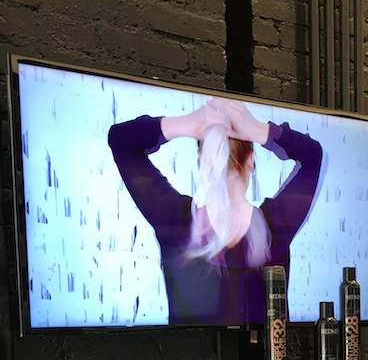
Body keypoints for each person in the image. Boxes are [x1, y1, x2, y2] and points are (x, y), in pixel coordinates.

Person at [108, 97, 323, 325]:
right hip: (268, 350)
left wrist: (188, 123)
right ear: (251, 160)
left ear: (202, 159)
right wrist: (259, 130)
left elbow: (121, 141)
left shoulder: (175, 221)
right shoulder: (276, 225)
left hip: (186, 351)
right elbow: (313, 156)